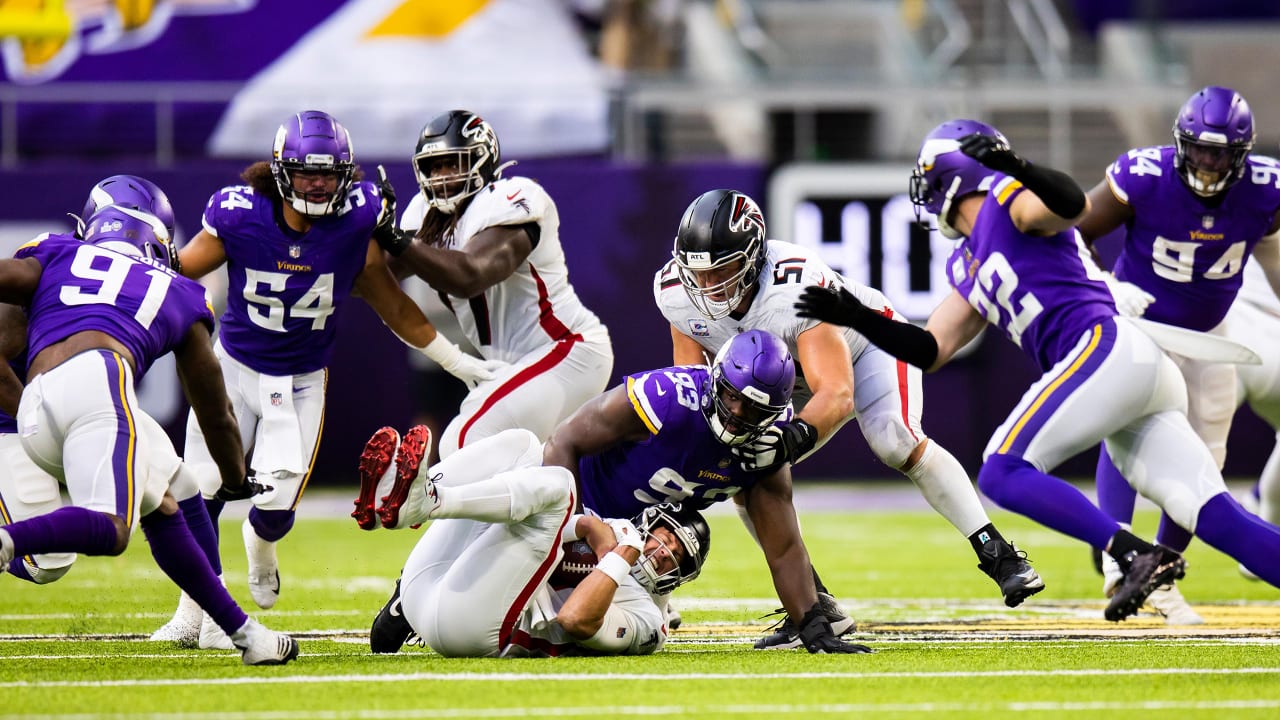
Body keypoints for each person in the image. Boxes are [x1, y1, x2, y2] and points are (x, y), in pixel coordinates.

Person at [793, 118, 1280, 621]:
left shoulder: (1010, 199)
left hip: (1102, 346)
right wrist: (857, 316)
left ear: (947, 178)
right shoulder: (966, 262)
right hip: (1136, 365)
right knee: (1214, 515)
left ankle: (1133, 552)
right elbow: (931, 349)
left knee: (1003, 471)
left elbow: (1074, 206)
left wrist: (1014, 166)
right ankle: (1137, 552)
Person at [653, 188, 1043, 647]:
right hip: (771, 377)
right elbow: (693, 379)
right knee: (746, 473)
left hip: (863, 346)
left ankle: (998, 553)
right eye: (698, 272)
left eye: (722, 270)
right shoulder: (676, 293)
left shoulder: (794, 286)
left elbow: (836, 393)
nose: (708, 285)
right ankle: (813, 604)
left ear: (754, 257)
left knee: (895, 439)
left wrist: (793, 437)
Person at [175, 110, 500, 613]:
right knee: (202, 487)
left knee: (275, 509)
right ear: (282, 172)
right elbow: (179, 270)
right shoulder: (239, 214)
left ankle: (260, 546)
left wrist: (455, 361)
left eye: (330, 174)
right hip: (233, 370)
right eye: (308, 173)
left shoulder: (355, 220)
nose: (320, 184)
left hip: (300, 380)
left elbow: (390, 301)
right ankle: (194, 614)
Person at [366, 329, 869, 654]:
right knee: (522, 447)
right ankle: (422, 516)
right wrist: (574, 525)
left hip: (618, 547)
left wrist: (812, 624)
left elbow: (781, 545)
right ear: (717, 382)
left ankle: (423, 573)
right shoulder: (670, 398)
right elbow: (565, 440)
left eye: (754, 413)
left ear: (776, 413)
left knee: (574, 606)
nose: (739, 417)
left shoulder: (765, 448)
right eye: (734, 401)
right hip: (574, 501)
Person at [0, 203, 298, 664]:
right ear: (159, 244)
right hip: (96, 385)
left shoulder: (57, 250)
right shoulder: (180, 291)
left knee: (169, 495)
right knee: (112, 530)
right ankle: (7, 541)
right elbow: (216, 414)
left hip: (37, 402)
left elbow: (10, 277)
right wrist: (237, 478)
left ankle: (240, 632)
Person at [1074, 85, 1280, 623]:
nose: (1210, 164)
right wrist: (1101, 287)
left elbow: (1273, 247)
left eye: (1222, 153)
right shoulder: (1143, 175)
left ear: (1244, 154)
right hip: (1139, 325)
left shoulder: (1266, 189)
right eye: (1201, 149)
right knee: (1122, 433)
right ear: (1180, 144)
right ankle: (1120, 559)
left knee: (1205, 463)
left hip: (1209, 334)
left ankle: (1161, 575)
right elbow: (1076, 236)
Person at [363, 109, 613, 461]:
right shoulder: (424, 214)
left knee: (465, 438)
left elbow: (470, 275)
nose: (442, 176)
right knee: (523, 471)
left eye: (452, 164)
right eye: (434, 167)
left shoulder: (509, 197)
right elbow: (372, 277)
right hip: (510, 366)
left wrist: (394, 238)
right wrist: (346, 233)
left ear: (482, 160)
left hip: (566, 349)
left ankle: (421, 497)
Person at [357, 425, 709, 657]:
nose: (661, 553)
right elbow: (552, 526)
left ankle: (429, 502)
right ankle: (406, 500)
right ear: (649, 523)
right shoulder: (617, 530)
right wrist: (587, 526)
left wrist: (621, 556)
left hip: (473, 632)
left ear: (680, 579)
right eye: (666, 539)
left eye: (676, 559)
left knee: (560, 488)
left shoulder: (649, 621)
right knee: (525, 447)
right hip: (429, 586)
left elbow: (576, 620)